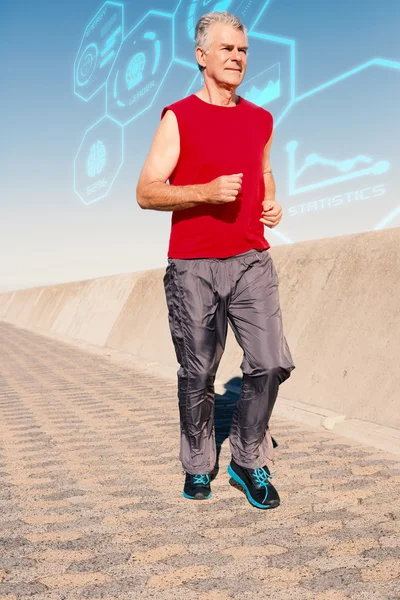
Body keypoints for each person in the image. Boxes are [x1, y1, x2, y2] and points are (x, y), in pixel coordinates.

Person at [136, 11, 295, 509]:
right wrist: (205, 191)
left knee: (270, 362)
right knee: (199, 371)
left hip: (252, 258)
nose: (237, 58)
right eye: (227, 49)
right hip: (193, 263)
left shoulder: (261, 119)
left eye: (243, 50)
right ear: (202, 57)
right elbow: (145, 192)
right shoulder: (178, 117)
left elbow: (264, 170)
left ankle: (248, 461)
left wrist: (271, 201)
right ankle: (199, 464)